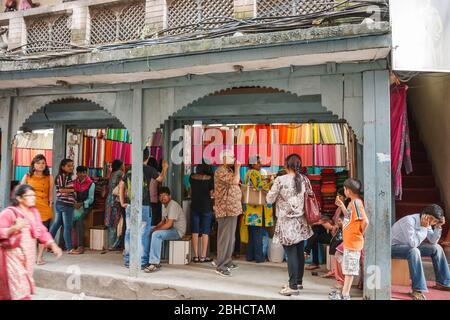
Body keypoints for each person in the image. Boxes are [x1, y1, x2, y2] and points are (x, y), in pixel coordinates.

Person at [0, 185, 62, 300]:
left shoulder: (34, 212)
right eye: (30, 196)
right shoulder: (9, 213)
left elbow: (41, 230)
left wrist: (52, 244)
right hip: (12, 258)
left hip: (28, 257)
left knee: (20, 287)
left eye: (34, 195)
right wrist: (13, 228)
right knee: (18, 289)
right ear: (19, 198)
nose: (33, 198)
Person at [266, 154, 313, 296]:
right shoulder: (304, 179)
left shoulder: (280, 180)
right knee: (299, 251)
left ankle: (292, 286)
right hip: (301, 221)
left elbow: (269, 199)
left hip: (287, 223)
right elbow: (310, 196)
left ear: (286, 165)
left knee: (291, 253)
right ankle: (298, 281)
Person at [121, 149, 168, 269]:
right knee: (144, 233)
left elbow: (121, 184)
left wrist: (122, 202)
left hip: (130, 205)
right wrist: (165, 168)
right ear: (147, 158)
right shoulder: (148, 169)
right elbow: (160, 179)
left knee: (129, 232)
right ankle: (142, 262)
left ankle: (127, 261)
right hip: (143, 205)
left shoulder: (130, 169)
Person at [391, 204, 450, 300]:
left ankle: (444, 282)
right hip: (393, 248)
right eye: (431, 219)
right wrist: (423, 228)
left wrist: (438, 227)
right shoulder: (409, 221)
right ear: (425, 215)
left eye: (435, 221)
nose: (432, 222)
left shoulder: (427, 222)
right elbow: (413, 244)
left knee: (437, 247)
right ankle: (417, 289)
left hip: (410, 247)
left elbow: (433, 241)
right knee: (414, 250)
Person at [329, 178, 369, 300]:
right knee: (346, 266)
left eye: (345, 189)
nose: (344, 191)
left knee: (349, 270)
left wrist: (360, 233)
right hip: (350, 242)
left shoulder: (356, 203)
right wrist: (342, 206)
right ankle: (344, 293)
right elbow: (349, 217)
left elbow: (365, 221)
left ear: (349, 191)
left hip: (353, 242)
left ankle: (345, 295)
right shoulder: (353, 202)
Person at [20, 154, 53, 265]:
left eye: (43, 163)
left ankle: (39, 257)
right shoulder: (27, 176)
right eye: (38, 163)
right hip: (30, 208)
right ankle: (31, 256)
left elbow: (51, 195)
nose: (41, 165)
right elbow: (20, 192)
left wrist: (50, 207)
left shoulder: (49, 177)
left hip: (44, 209)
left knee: (42, 234)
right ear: (33, 165)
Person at [213, 149, 242, 277]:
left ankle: (228, 260)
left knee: (231, 237)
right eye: (231, 157)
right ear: (223, 159)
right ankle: (221, 265)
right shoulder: (220, 171)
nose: (233, 159)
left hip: (232, 209)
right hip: (225, 209)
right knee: (224, 238)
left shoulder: (228, 170)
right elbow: (235, 181)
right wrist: (237, 169)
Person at [144, 187, 186, 273]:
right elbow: (163, 221)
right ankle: (145, 258)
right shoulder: (164, 205)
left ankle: (154, 263)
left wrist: (155, 230)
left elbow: (169, 224)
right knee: (148, 229)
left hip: (177, 231)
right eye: (160, 196)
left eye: (165, 195)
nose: (163, 197)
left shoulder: (173, 205)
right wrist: (154, 228)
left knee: (156, 234)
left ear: (169, 196)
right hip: (170, 229)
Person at [243, 155, 273, 263]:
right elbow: (260, 186)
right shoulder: (254, 173)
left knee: (252, 234)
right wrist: (270, 180)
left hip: (250, 208)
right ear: (252, 164)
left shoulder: (247, 173)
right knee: (257, 234)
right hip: (256, 210)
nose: (260, 164)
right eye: (258, 162)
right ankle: (259, 257)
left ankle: (250, 256)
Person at [49, 158, 76, 254]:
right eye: (68, 166)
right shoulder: (62, 176)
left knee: (56, 224)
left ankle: (48, 245)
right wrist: (73, 189)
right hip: (65, 204)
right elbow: (61, 190)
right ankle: (70, 248)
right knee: (67, 227)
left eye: (72, 165)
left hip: (61, 204)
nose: (71, 167)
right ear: (62, 167)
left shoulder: (66, 176)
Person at [189, 163, 214, 263]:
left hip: (194, 205)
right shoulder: (210, 178)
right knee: (205, 232)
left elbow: (191, 191)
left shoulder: (192, 177)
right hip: (206, 206)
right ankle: (203, 256)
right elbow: (212, 193)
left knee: (195, 231)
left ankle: (196, 256)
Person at [72, 166, 95, 254]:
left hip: (86, 206)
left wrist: (81, 204)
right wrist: (74, 203)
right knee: (68, 219)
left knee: (80, 220)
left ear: (86, 173)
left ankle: (80, 246)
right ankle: (69, 245)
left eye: (84, 173)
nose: (82, 174)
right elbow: (71, 195)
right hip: (75, 205)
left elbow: (91, 199)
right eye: (80, 173)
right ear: (77, 173)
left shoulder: (91, 184)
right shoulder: (73, 183)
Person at [105, 159, 124, 250]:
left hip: (109, 200)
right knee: (115, 222)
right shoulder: (120, 173)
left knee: (110, 222)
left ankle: (111, 243)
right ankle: (113, 245)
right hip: (116, 200)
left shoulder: (112, 174)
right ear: (120, 166)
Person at [148, 157, 162, 226]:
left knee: (149, 219)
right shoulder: (157, 174)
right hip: (155, 200)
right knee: (156, 219)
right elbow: (160, 186)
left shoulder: (145, 173)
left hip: (147, 199)